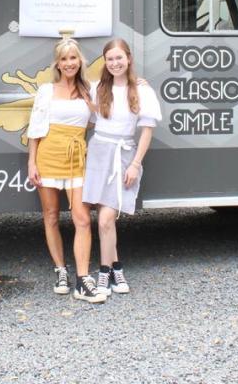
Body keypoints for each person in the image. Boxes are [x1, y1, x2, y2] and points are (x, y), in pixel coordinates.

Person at [27, 37, 106, 303]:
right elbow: (36, 129)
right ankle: (61, 269)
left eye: (73, 58)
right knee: (50, 215)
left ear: (79, 61)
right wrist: (32, 162)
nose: (69, 63)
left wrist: (137, 84)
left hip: (77, 159)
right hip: (48, 155)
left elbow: (106, 109)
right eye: (64, 59)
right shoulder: (46, 91)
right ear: (57, 64)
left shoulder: (90, 90)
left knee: (82, 219)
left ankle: (83, 280)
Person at [83, 38, 162, 297]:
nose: (115, 63)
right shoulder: (98, 88)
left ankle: (103, 273)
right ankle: (117, 268)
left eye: (119, 58)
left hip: (124, 156)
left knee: (107, 218)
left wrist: (136, 164)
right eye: (110, 59)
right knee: (104, 220)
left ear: (128, 58)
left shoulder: (142, 91)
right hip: (99, 154)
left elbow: (147, 130)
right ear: (105, 63)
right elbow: (88, 117)